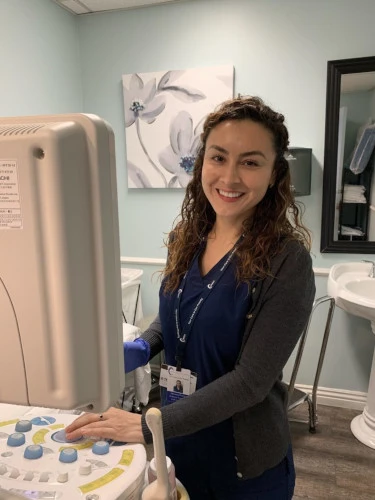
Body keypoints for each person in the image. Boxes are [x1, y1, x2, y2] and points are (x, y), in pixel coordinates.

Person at [66, 96, 315, 499]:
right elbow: (179, 314)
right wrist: (143, 345)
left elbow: (251, 383)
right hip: (177, 441)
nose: (230, 177)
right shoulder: (188, 239)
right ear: (202, 163)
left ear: (274, 174)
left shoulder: (287, 263)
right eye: (218, 157)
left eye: (250, 162)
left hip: (240, 464)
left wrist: (146, 425)